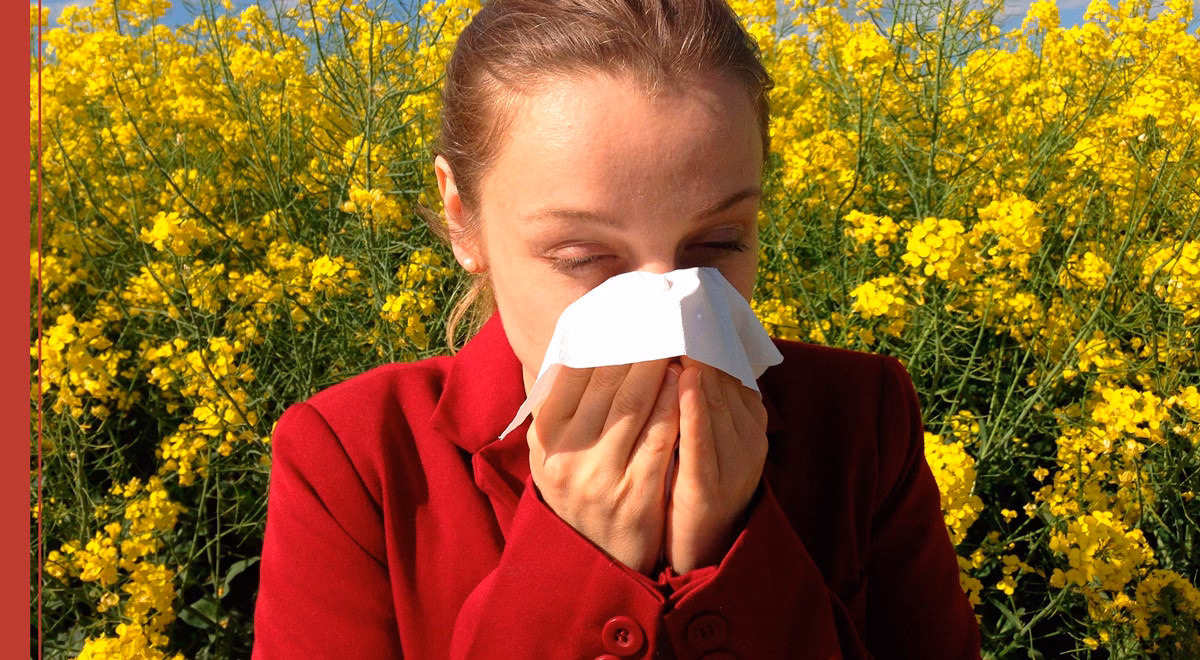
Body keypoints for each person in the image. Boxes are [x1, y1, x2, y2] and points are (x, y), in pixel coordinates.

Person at [252, 0, 982, 657]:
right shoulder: (357, 460)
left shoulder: (859, 419)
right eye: (583, 257)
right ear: (462, 219)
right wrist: (575, 561)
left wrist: (731, 554)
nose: (667, 318)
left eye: (718, 244)